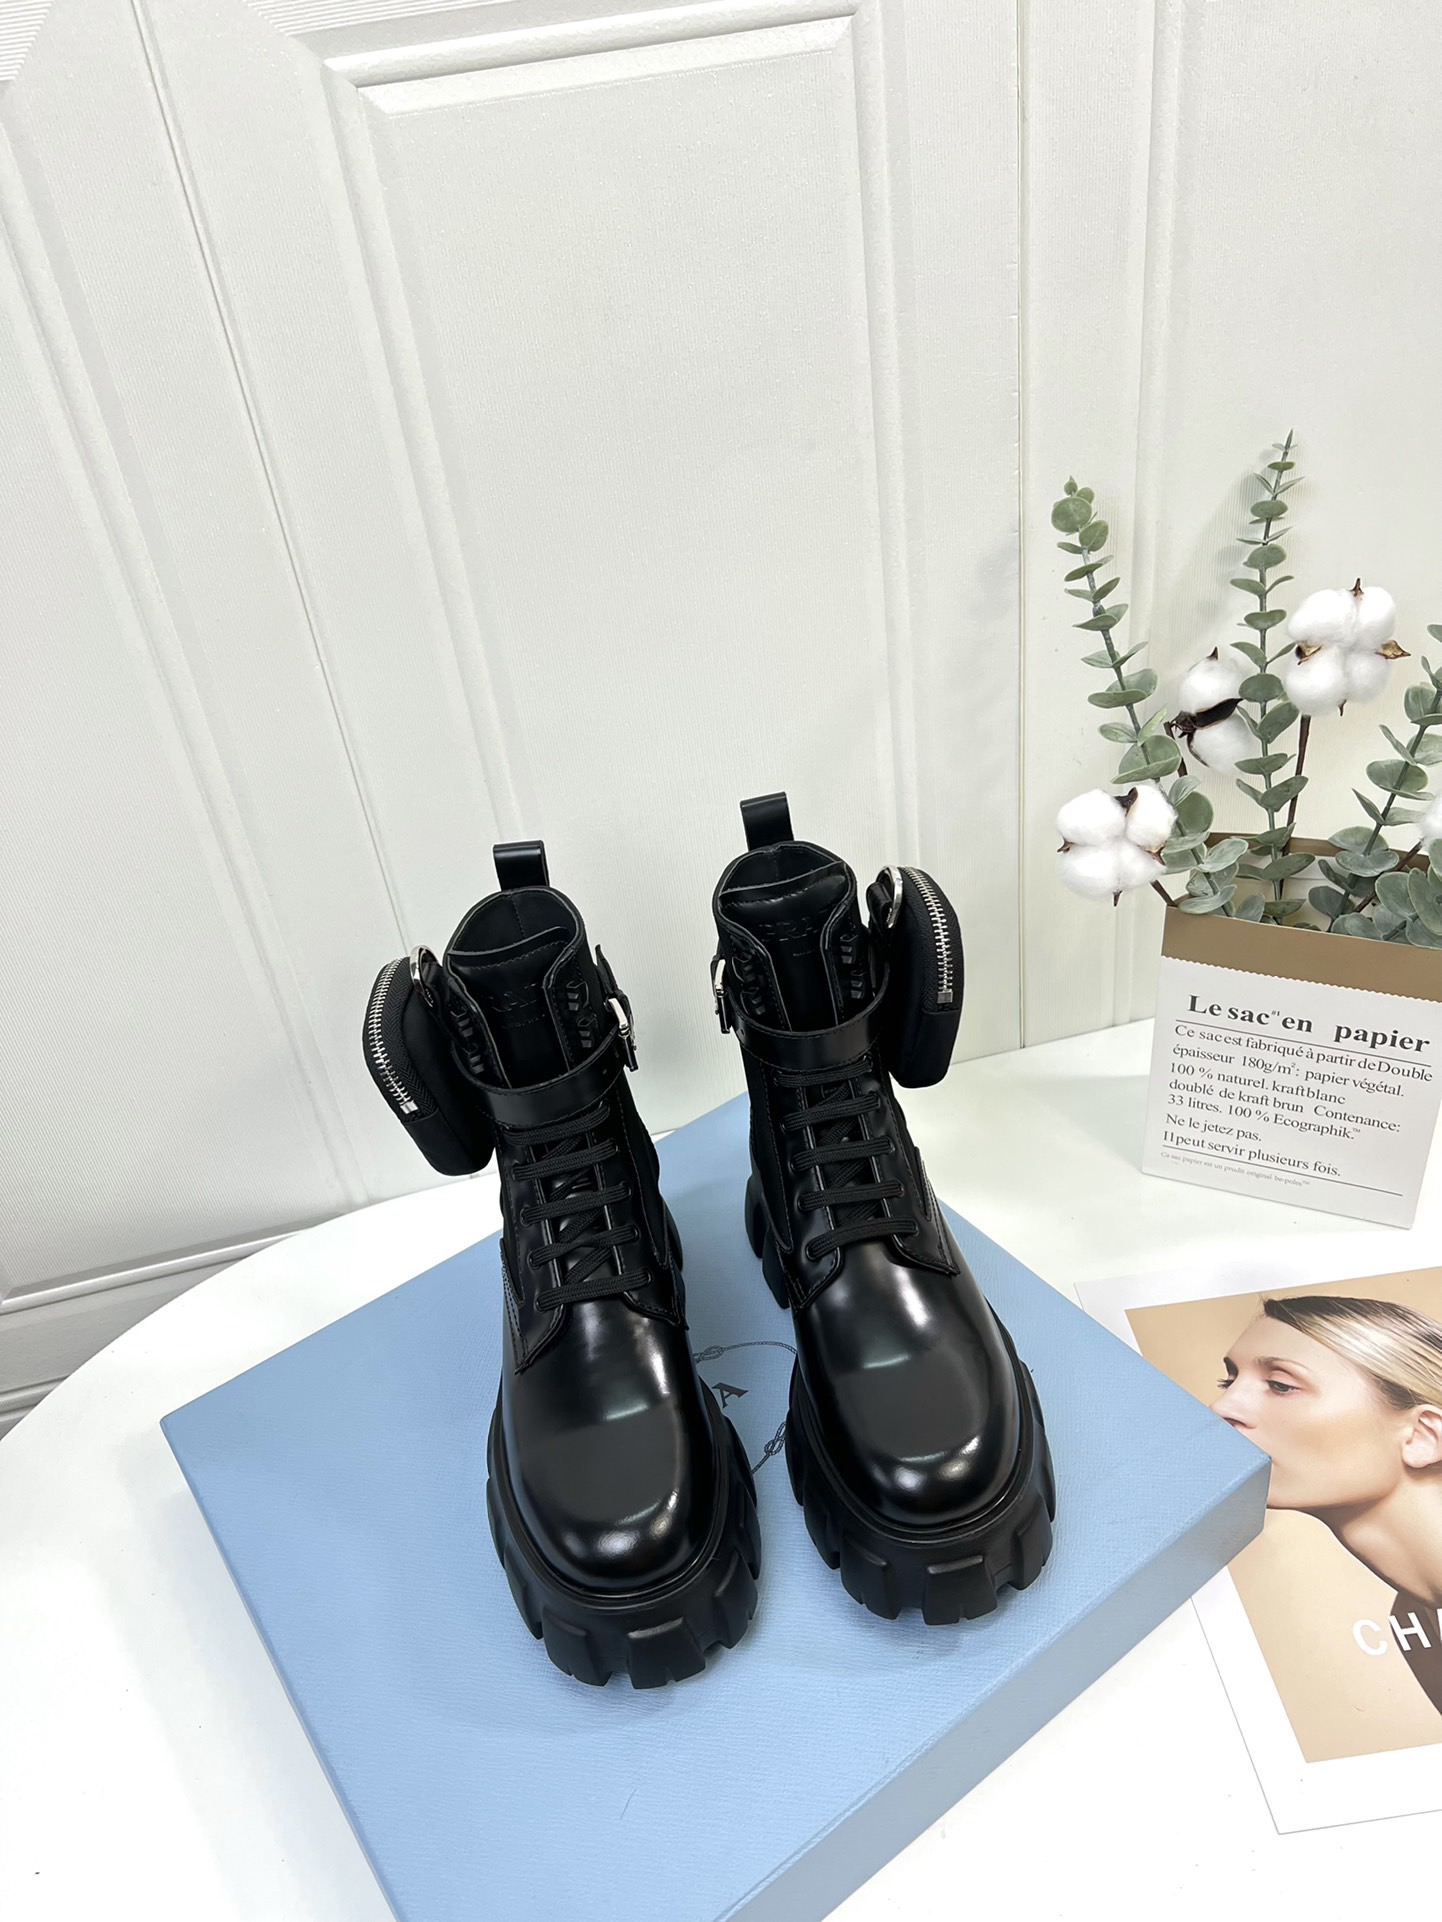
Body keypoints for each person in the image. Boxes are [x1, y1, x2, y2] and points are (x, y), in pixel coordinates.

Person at [1211, 1294, 1442, 1717]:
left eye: (1281, 1385)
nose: (1221, 1408)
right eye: (1229, 1382)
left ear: (1422, 1437)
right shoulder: (1413, 1622)